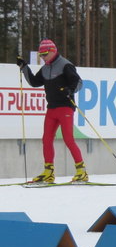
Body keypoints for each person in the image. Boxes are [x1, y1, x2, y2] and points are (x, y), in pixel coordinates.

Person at [17, 39, 88, 184]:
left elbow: (78, 82)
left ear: (53, 51)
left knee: (68, 139)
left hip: (65, 108)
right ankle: (48, 172)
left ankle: (81, 171)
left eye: (45, 54)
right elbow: (34, 82)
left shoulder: (65, 65)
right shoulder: (45, 68)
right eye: (41, 55)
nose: (43, 57)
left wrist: (70, 90)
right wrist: (24, 67)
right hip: (52, 108)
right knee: (46, 139)